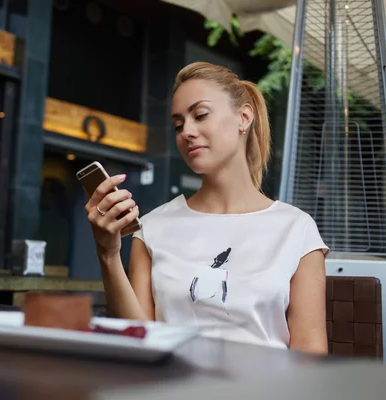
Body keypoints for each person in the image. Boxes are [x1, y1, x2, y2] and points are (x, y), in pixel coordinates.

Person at [84, 62, 329, 355]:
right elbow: (139, 343)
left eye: (200, 115)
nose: (186, 131)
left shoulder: (296, 229)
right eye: (178, 124)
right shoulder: (152, 229)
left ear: (244, 117)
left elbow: (310, 354)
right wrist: (108, 254)